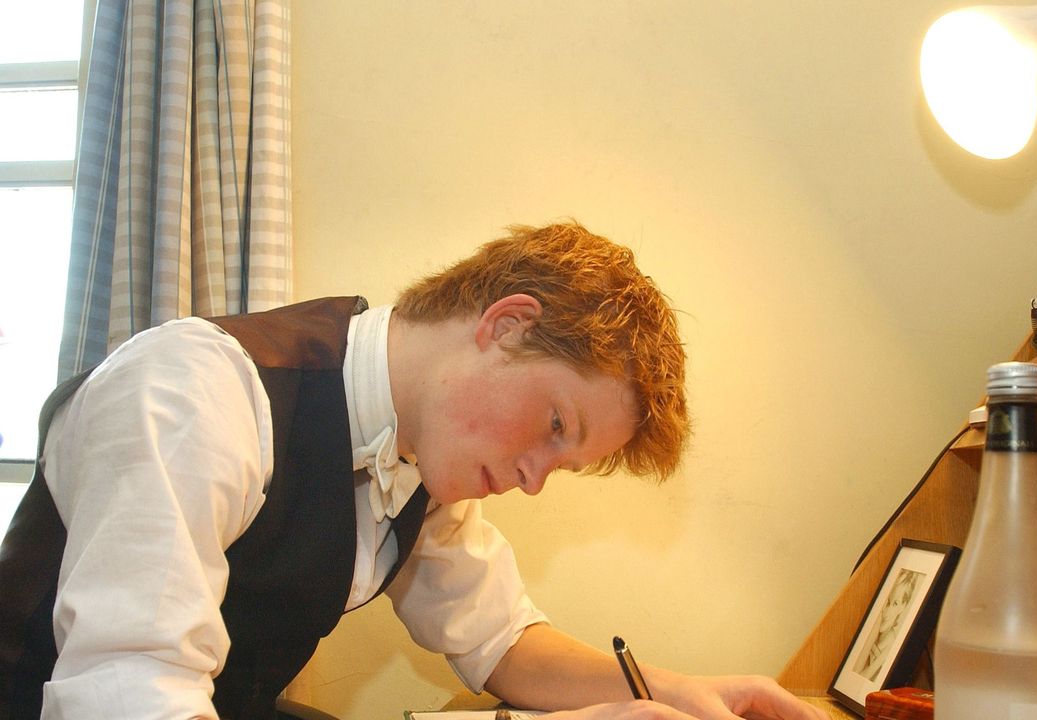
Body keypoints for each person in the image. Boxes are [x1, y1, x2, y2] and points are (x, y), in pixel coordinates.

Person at [0, 222, 826, 720]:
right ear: (506, 325)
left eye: (562, 465)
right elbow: (127, 691)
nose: (535, 480)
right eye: (552, 426)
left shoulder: (422, 460)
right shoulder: (198, 391)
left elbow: (502, 642)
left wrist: (679, 692)